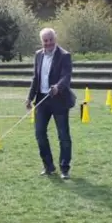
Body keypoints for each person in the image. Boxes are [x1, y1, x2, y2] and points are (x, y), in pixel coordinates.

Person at [25, 28, 76, 180]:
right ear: (42, 41)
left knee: (63, 136)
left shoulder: (64, 56)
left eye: (50, 40)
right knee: (40, 134)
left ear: (55, 39)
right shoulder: (38, 55)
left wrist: (57, 87)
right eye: (45, 40)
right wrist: (29, 97)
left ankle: (64, 168)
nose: (48, 43)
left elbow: (66, 76)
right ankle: (48, 166)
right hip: (42, 100)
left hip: (59, 100)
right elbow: (36, 78)